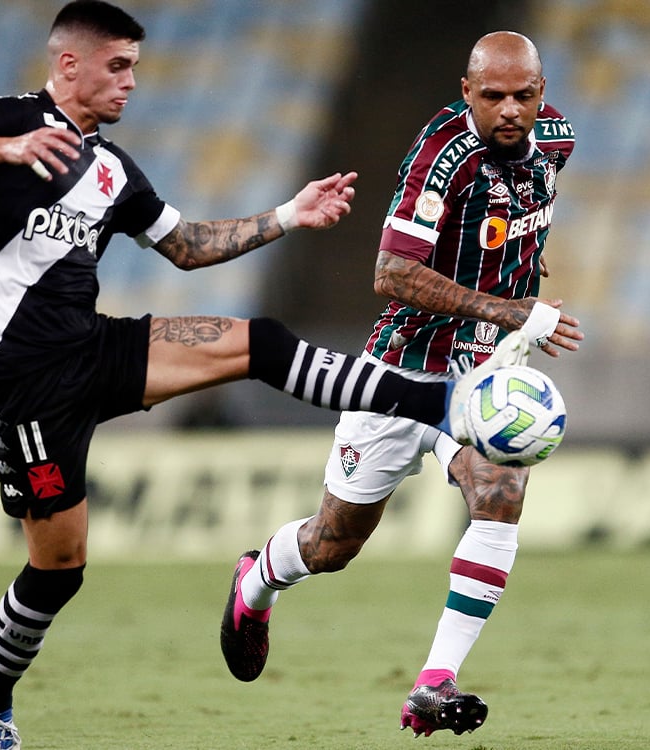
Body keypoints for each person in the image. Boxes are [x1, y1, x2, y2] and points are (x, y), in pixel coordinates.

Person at [0, 3, 512, 748]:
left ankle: (439, 401)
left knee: (255, 343)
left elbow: (185, 244)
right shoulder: (10, 118)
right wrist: (8, 148)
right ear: (69, 65)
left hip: (95, 348)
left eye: (135, 69)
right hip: (23, 379)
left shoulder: (114, 169)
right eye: (117, 67)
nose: (129, 83)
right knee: (59, 568)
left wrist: (287, 214)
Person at [219, 31, 582, 738]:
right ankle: (255, 581)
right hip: (401, 365)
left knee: (501, 489)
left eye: (525, 95)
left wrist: (518, 306)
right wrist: (515, 308)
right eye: (493, 96)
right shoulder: (441, 156)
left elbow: (513, 236)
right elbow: (390, 274)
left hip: (483, 373)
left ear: (542, 92)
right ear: (467, 89)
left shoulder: (557, 142)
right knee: (333, 544)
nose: (511, 110)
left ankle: (433, 681)